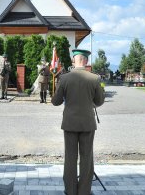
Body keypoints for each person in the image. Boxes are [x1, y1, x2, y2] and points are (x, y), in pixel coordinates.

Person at [51, 49, 105, 195]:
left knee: (70, 158)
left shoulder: (65, 78)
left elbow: (55, 102)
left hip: (70, 123)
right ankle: (84, 191)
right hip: (87, 123)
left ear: (74, 60)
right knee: (87, 158)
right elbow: (99, 101)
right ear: (86, 61)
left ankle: (70, 191)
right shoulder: (95, 78)